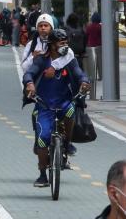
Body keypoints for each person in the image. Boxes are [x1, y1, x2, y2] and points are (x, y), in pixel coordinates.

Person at [23, 29, 90, 187]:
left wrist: (84, 82)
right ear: (52, 45)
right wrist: (30, 84)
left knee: (71, 110)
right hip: (44, 105)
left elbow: (80, 73)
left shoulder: (69, 59)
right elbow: (29, 74)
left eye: (66, 42)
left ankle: (66, 144)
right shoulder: (41, 60)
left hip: (64, 102)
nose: (65, 45)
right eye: (61, 43)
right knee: (42, 138)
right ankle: (42, 174)